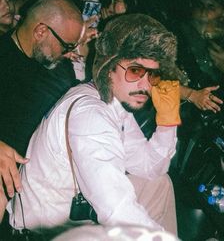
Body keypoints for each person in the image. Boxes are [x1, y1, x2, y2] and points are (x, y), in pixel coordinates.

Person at [8, 13, 185, 237]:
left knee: (158, 184)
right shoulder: (91, 116)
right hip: (43, 234)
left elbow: (150, 168)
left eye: (153, 75)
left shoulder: (113, 103)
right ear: (108, 66)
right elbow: (117, 210)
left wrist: (168, 123)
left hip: (73, 216)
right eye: (135, 71)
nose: (145, 85)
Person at [0, 0, 87, 223]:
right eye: (67, 45)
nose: (70, 53)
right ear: (40, 32)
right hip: (13, 174)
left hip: (53, 168)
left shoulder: (58, 66)